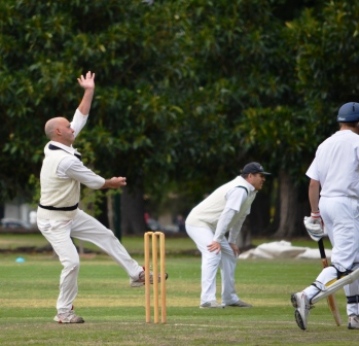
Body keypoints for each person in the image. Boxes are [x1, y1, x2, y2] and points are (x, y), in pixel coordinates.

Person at [37, 71, 166, 324]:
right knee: (72, 263)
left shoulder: (60, 144)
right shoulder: (63, 160)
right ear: (59, 133)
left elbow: (80, 117)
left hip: (71, 213)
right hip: (53, 220)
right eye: (68, 127)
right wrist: (112, 182)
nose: (73, 127)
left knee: (106, 235)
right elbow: (95, 182)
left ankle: (136, 274)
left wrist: (89, 90)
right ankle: (63, 312)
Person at [291, 102, 359, 331]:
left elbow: (313, 183)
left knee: (353, 263)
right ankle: (307, 296)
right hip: (347, 205)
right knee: (343, 265)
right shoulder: (357, 142)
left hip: (326, 203)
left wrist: (315, 213)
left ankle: (354, 314)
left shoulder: (325, 144)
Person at [185, 162, 270, 308]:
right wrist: (217, 240)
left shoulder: (250, 192)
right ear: (250, 176)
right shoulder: (240, 189)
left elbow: (239, 218)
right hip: (198, 223)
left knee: (229, 254)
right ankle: (207, 300)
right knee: (213, 253)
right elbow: (227, 215)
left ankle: (229, 298)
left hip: (211, 226)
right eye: (261, 176)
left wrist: (231, 241)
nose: (264, 179)